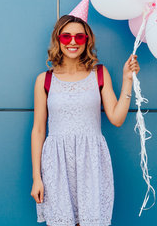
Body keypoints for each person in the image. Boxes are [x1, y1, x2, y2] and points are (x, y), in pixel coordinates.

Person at [30, 14, 140, 226]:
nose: (73, 42)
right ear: (58, 39)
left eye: (79, 37)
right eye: (66, 37)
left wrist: (127, 80)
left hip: (91, 160)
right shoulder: (45, 80)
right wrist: (37, 177)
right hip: (56, 163)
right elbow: (38, 131)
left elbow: (116, 118)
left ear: (87, 41)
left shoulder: (99, 73)